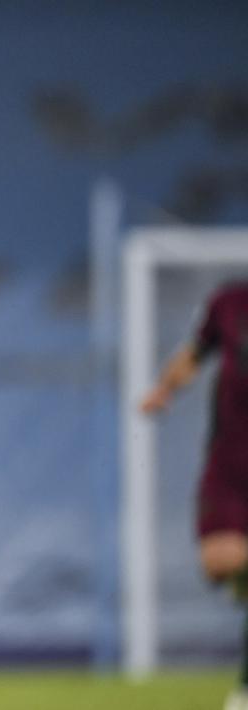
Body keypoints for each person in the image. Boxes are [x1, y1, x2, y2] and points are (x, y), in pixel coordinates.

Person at [141, 282, 248, 710]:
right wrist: (165, 388)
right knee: (219, 562)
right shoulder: (230, 302)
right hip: (228, 463)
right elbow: (196, 353)